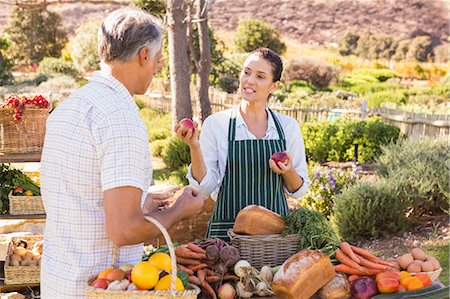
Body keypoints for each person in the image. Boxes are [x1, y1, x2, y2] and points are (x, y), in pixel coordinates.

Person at [40, 8, 204, 299]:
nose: (157, 66)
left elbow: (81, 197)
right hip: (99, 289)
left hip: (59, 282)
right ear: (144, 55)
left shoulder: (68, 108)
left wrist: (141, 201)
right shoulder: (120, 118)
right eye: (157, 58)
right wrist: (180, 211)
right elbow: (124, 231)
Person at [175, 48, 310, 240]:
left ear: (274, 86)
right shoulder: (217, 124)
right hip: (226, 234)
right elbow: (203, 189)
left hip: (273, 237)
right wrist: (194, 147)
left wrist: (287, 171)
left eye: (260, 76)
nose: (249, 80)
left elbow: (298, 191)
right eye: (246, 72)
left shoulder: (288, 127)